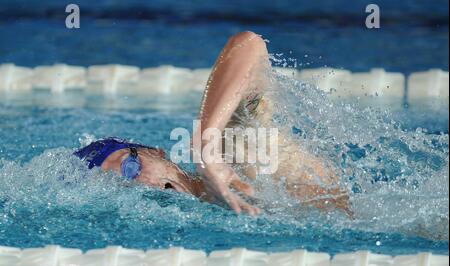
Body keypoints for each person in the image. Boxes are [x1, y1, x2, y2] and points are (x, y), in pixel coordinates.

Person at [74, 31, 353, 218]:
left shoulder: (235, 147)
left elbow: (249, 44)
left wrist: (206, 146)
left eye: (130, 166)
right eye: (118, 185)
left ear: (157, 152)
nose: (139, 184)